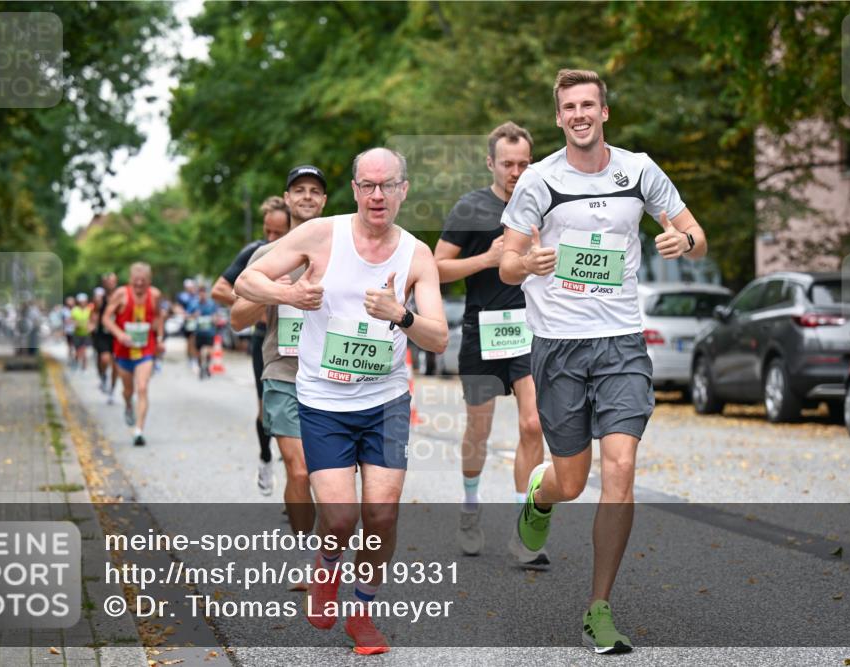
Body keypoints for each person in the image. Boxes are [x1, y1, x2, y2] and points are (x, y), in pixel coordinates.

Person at [500, 69, 708, 654]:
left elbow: (696, 233)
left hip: (621, 343)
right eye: (569, 107)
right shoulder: (539, 181)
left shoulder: (639, 170)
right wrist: (531, 263)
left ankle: (599, 608)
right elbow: (508, 264)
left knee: (620, 469)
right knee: (573, 480)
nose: (580, 114)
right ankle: (541, 493)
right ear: (559, 117)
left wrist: (683, 242)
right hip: (559, 346)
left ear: (605, 112)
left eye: (589, 104)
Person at [239, 148, 447, 655]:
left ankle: (362, 613)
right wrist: (290, 296)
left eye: (387, 185)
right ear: (355, 189)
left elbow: (439, 338)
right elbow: (248, 280)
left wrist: (402, 316)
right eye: (368, 185)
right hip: (324, 400)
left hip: (386, 401)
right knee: (338, 519)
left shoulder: (417, 255)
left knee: (381, 515)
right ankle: (327, 569)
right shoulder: (321, 234)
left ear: (404, 190)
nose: (377, 195)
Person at [433, 121, 546, 562]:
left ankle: (525, 531)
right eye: (507, 164)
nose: (516, 172)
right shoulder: (471, 207)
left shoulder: (544, 205)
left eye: (523, 163)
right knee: (478, 431)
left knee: (533, 424)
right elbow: (437, 267)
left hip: (531, 331)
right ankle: (470, 508)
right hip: (482, 332)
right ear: (490, 164)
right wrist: (488, 258)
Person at [231, 165, 328, 573]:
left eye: (314, 191)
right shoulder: (266, 256)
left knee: (329, 476)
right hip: (283, 371)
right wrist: (282, 292)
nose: (306, 197)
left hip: (332, 375)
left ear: (324, 201)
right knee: (300, 468)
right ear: (287, 199)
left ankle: (329, 556)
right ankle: (308, 558)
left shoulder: (343, 246)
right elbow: (237, 317)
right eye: (299, 190)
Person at [213, 195, 292, 493]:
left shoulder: (307, 249)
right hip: (266, 340)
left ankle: (296, 482)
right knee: (266, 409)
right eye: (267, 230)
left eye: (278, 233)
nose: (270, 237)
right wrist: (257, 303)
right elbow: (219, 290)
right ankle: (265, 456)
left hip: (302, 341)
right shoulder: (256, 252)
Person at [103, 263, 166, 447]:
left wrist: (160, 337)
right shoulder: (121, 294)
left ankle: (138, 431)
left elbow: (159, 316)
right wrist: (120, 334)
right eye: (136, 281)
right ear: (130, 280)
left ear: (149, 281)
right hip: (123, 351)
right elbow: (106, 318)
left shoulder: (154, 295)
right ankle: (128, 405)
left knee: (143, 387)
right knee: (128, 391)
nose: (139, 285)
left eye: (143, 281)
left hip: (146, 349)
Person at [91, 273, 119, 401]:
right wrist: (92, 325)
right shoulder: (100, 299)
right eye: (108, 282)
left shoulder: (121, 297)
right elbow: (95, 313)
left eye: (112, 281)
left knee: (116, 366)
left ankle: (112, 390)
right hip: (103, 334)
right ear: (104, 284)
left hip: (117, 334)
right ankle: (103, 377)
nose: (110, 284)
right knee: (104, 359)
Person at [191, 284, 219, 379]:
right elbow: (188, 315)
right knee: (199, 352)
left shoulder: (212, 304)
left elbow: (216, 317)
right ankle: (201, 366)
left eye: (203, 293)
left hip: (209, 332)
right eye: (200, 293)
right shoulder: (194, 304)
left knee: (208, 351)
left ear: (206, 294)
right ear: (198, 294)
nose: (202, 295)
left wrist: (214, 319)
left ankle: (206, 365)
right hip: (199, 332)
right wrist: (194, 316)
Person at [71, 293, 93, 372]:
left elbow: (91, 321)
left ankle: (84, 367)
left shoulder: (89, 310)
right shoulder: (75, 310)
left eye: (84, 301)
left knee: (84, 350)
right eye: (81, 301)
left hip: (86, 334)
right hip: (77, 333)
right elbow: (72, 320)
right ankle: (76, 362)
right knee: (77, 351)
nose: (82, 303)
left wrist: (90, 326)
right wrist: (77, 324)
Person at [62, 295, 76, 367]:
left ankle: (75, 359)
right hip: (68, 331)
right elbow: (64, 321)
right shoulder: (64, 310)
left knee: (76, 346)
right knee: (70, 346)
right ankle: (70, 359)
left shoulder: (76, 309)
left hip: (76, 331)